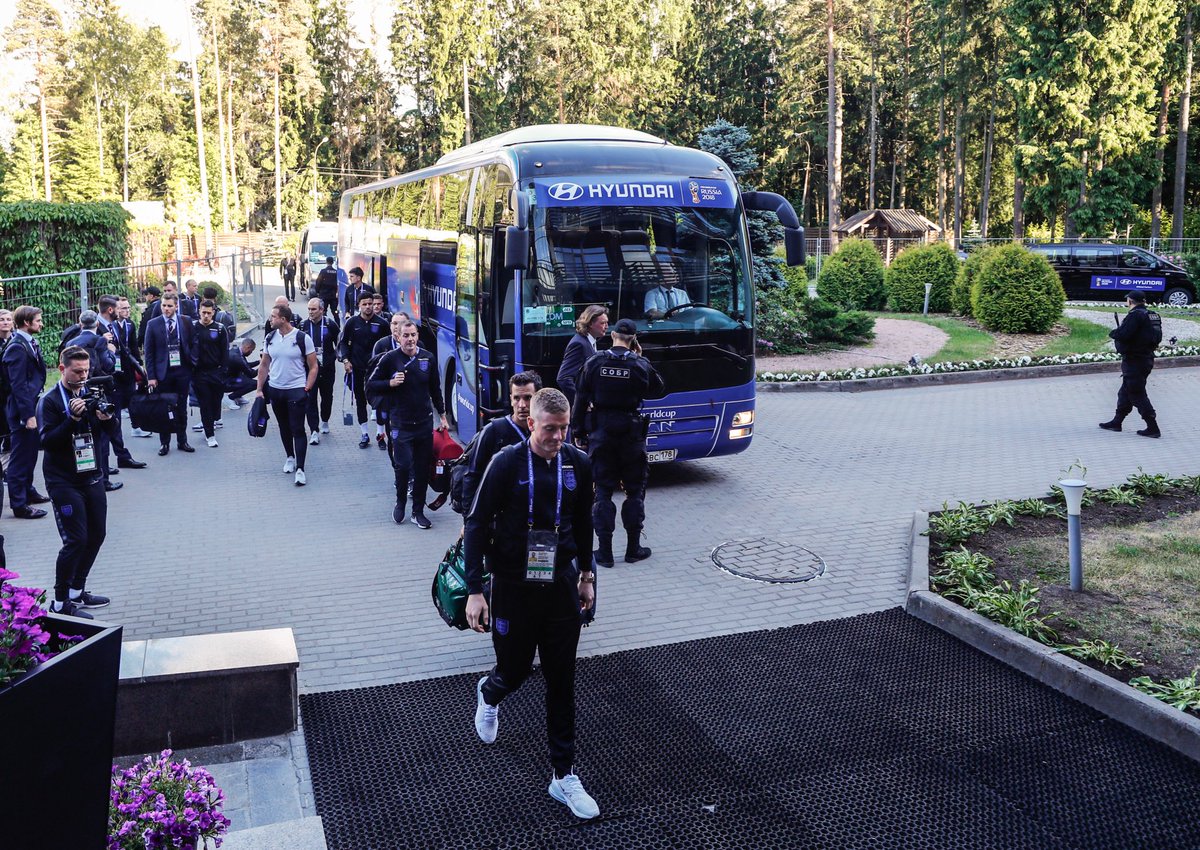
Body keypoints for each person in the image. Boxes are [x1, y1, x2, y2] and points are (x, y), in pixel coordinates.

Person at [464, 388, 598, 820]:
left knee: (562, 682)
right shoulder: (506, 463)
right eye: (550, 429)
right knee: (515, 670)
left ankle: (563, 776)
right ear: (531, 424)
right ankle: (490, 691)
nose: (558, 437)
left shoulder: (577, 463)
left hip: (559, 586)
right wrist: (475, 589)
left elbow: (582, 524)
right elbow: (476, 523)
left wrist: (586, 576)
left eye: (564, 428)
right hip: (512, 587)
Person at [572, 317, 664, 567]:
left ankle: (604, 552)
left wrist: (578, 431)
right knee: (635, 492)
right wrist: (639, 359)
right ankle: (633, 549)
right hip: (631, 437)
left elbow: (580, 398)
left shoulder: (594, 362)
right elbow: (658, 389)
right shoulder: (639, 364)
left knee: (602, 493)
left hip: (601, 435)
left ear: (612, 335)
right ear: (633, 340)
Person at [38, 345, 116, 620]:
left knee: (97, 535)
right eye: (77, 371)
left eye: (86, 371)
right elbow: (45, 442)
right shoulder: (49, 401)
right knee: (76, 539)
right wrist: (71, 419)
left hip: (91, 475)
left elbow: (108, 433)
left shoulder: (90, 393)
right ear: (62, 369)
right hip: (63, 481)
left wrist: (106, 419)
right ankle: (60, 603)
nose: (83, 376)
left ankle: (77, 590)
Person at [367, 320, 448, 527]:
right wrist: (390, 383)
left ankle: (418, 511)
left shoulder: (427, 358)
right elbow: (371, 385)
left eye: (413, 335)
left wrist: (443, 416)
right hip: (400, 424)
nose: (410, 339)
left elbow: (435, 390)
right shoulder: (389, 359)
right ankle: (400, 502)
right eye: (406, 335)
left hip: (424, 424)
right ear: (398, 337)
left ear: (417, 336)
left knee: (422, 469)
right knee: (403, 466)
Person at [461, 371, 542, 512]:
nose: (522, 405)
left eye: (528, 398)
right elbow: (472, 477)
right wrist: (468, 521)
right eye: (517, 398)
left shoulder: (545, 432)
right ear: (511, 399)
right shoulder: (492, 431)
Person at [257, 304, 317, 486]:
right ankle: (289, 457)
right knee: (283, 427)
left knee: (297, 428)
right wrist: (259, 389)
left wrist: (306, 387)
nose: (270, 319)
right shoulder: (270, 338)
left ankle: (300, 468)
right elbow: (264, 365)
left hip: (296, 390)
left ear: (283, 319)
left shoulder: (302, 338)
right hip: (276, 390)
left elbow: (313, 366)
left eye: (273, 316)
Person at [3, 306, 51, 518]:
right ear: (26, 323)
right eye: (38, 321)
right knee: (20, 458)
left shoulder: (27, 342)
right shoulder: (17, 347)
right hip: (22, 410)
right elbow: (18, 384)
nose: (41, 324)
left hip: (30, 405)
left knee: (30, 454)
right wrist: (28, 415)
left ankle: (29, 491)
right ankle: (19, 504)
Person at [1101, 290, 1162, 438]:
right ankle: (1117, 422)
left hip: (1135, 360)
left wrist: (1113, 333)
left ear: (1130, 301)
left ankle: (1153, 427)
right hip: (1146, 358)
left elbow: (1124, 334)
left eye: (1127, 300)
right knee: (1125, 392)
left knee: (1136, 393)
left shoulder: (1135, 315)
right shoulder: (1152, 315)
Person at [143, 293, 197, 456]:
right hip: (162, 373)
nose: (166, 309)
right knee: (164, 408)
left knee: (181, 408)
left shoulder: (186, 321)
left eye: (169, 306)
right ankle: (164, 443)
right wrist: (151, 377)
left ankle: (182, 440)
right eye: (164, 306)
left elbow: (194, 342)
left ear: (176, 306)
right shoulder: (153, 324)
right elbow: (148, 352)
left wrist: (192, 362)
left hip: (182, 371)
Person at [338, 292, 389, 449]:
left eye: (370, 304)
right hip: (358, 370)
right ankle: (364, 434)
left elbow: (389, 346)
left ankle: (380, 435)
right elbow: (343, 343)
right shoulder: (352, 323)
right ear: (358, 305)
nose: (368, 307)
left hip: (377, 372)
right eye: (364, 304)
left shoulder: (382, 324)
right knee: (361, 402)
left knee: (379, 403)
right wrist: (346, 360)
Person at [300, 297, 339, 443]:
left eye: (314, 309)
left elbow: (339, 344)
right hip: (309, 369)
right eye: (309, 309)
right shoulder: (303, 325)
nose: (310, 312)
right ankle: (313, 430)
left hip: (327, 368)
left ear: (322, 310)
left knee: (327, 396)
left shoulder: (330, 324)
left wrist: (335, 357)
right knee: (310, 399)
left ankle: (325, 420)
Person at [192, 300, 229, 448]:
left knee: (215, 402)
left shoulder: (220, 329)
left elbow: (225, 352)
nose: (206, 316)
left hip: (216, 372)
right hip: (200, 373)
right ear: (199, 312)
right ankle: (210, 434)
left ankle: (211, 423)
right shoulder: (193, 327)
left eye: (209, 313)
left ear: (213, 312)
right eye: (203, 313)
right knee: (205, 403)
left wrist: (223, 372)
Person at [556, 305, 608, 405]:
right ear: (590, 323)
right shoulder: (579, 344)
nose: (606, 326)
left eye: (606, 322)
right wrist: (582, 402)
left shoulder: (590, 341)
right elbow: (563, 378)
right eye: (602, 323)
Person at [224, 338, 258, 408]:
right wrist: (263, 367)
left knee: (244, 377)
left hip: (229, 378)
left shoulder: (236, 350)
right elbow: (251, 374)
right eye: (251, 351)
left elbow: (245, 365)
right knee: (255, 384)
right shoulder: (237, 358)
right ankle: (230, 398)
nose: (251, 353)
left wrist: (259, 362)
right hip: (227, 383)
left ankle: (238, 396)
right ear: (248, 347)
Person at [315, 256, 340, 322]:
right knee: (335, 312)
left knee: (323, 311)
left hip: (324, 295)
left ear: (326, 262)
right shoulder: (336, 272)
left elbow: (318, 282)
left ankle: (324, 324)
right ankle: (338, 326)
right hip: (333, 296)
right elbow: (338, 284)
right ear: (332, 262)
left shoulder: (323, 271)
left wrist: (317, 291)